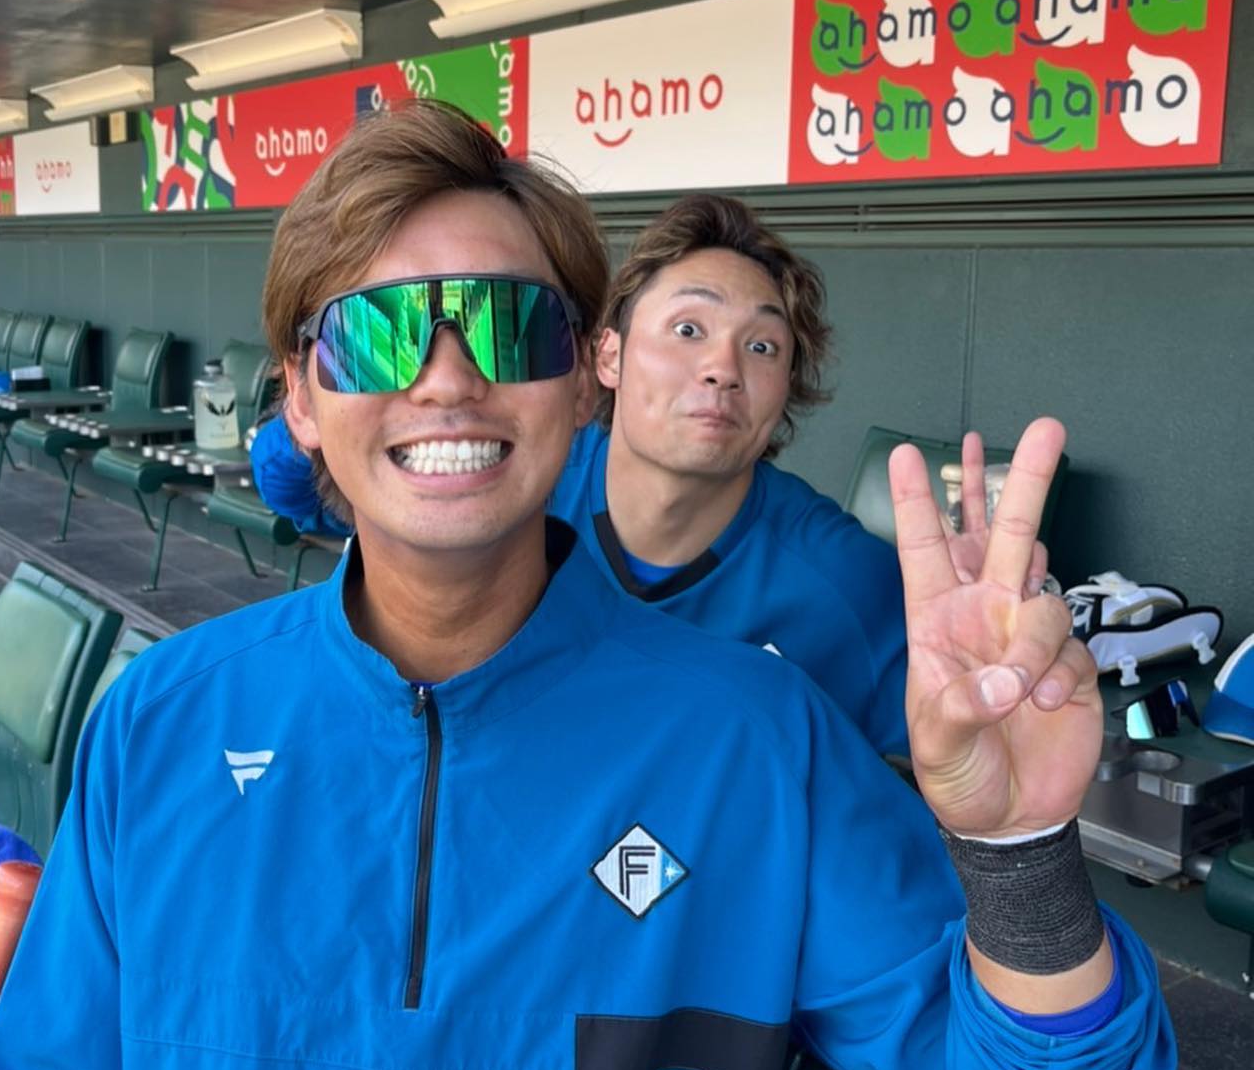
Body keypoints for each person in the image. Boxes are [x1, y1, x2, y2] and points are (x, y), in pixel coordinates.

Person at [0, 101, 1173, 1070]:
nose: (447, 380)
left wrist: (1021, 855)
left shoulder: (760, 742)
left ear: (577, 381)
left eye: (510, 327)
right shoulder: (162, 723)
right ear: (299, 395)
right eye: (379, 332)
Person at [250, 192, 1044, 756]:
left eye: (762, 346)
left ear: (786, 390)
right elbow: (289, 489)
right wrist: (334, 413)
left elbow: (970, 747)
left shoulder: (844, 580)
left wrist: (1005, 671)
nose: (722, 368)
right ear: (606, 356)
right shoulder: (512, 484)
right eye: (688, 329)